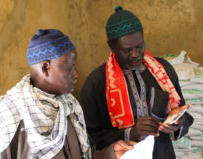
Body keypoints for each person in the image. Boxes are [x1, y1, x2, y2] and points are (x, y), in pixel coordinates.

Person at [0, 29, 134, 159]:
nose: (75, 74)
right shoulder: (9, 117)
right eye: (69, 68)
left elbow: (84, 154)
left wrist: (111, 153)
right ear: (46, 68)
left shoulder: (69, 106)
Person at [80, 6, 194, 159]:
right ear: (111, 47)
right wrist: (130, 133)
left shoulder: (163, 71)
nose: (135, 54)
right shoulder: (96, 83)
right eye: (127, 50)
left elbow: (184, 115)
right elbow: (90, 138)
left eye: (139, 46)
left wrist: (178, 122)